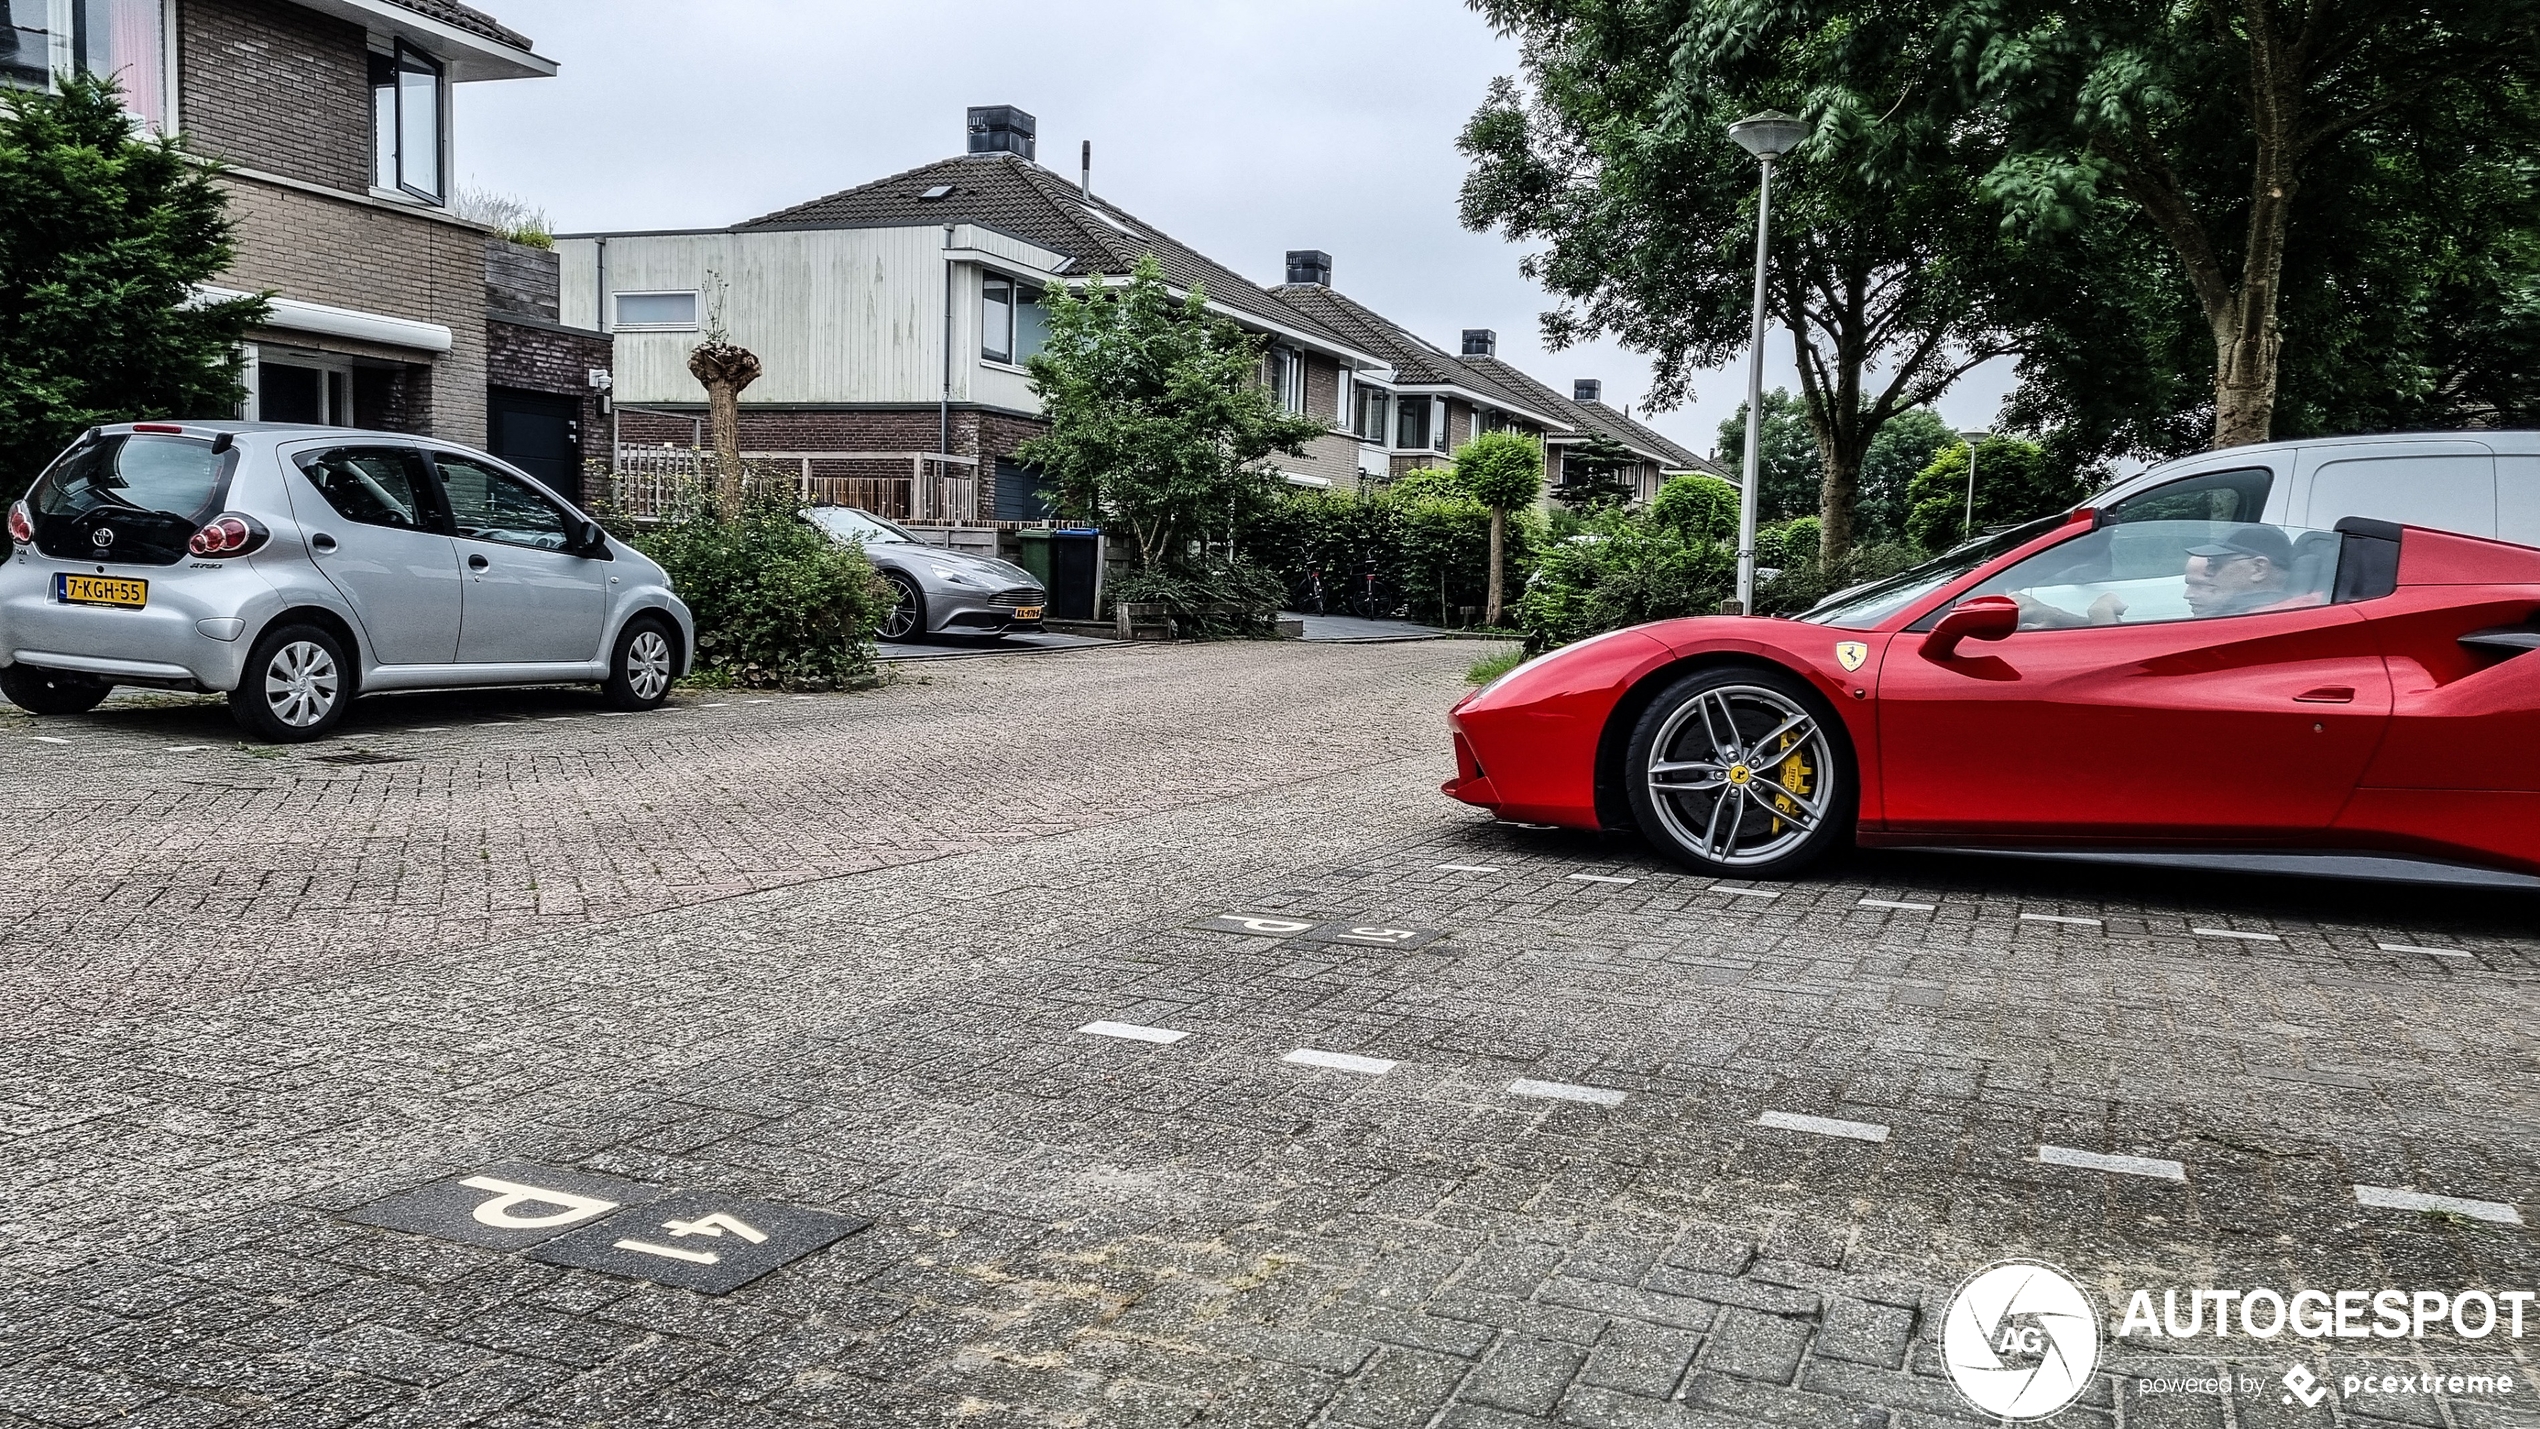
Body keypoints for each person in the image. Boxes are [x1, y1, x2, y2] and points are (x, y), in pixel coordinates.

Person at [2009, 523, 2323, 628]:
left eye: (2214, 566)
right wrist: (2057, 616)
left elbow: (2134, 673)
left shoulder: (2269, 621)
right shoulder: (2246, 611)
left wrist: (2104, 614)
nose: (2187, 593)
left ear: (2258, 568)